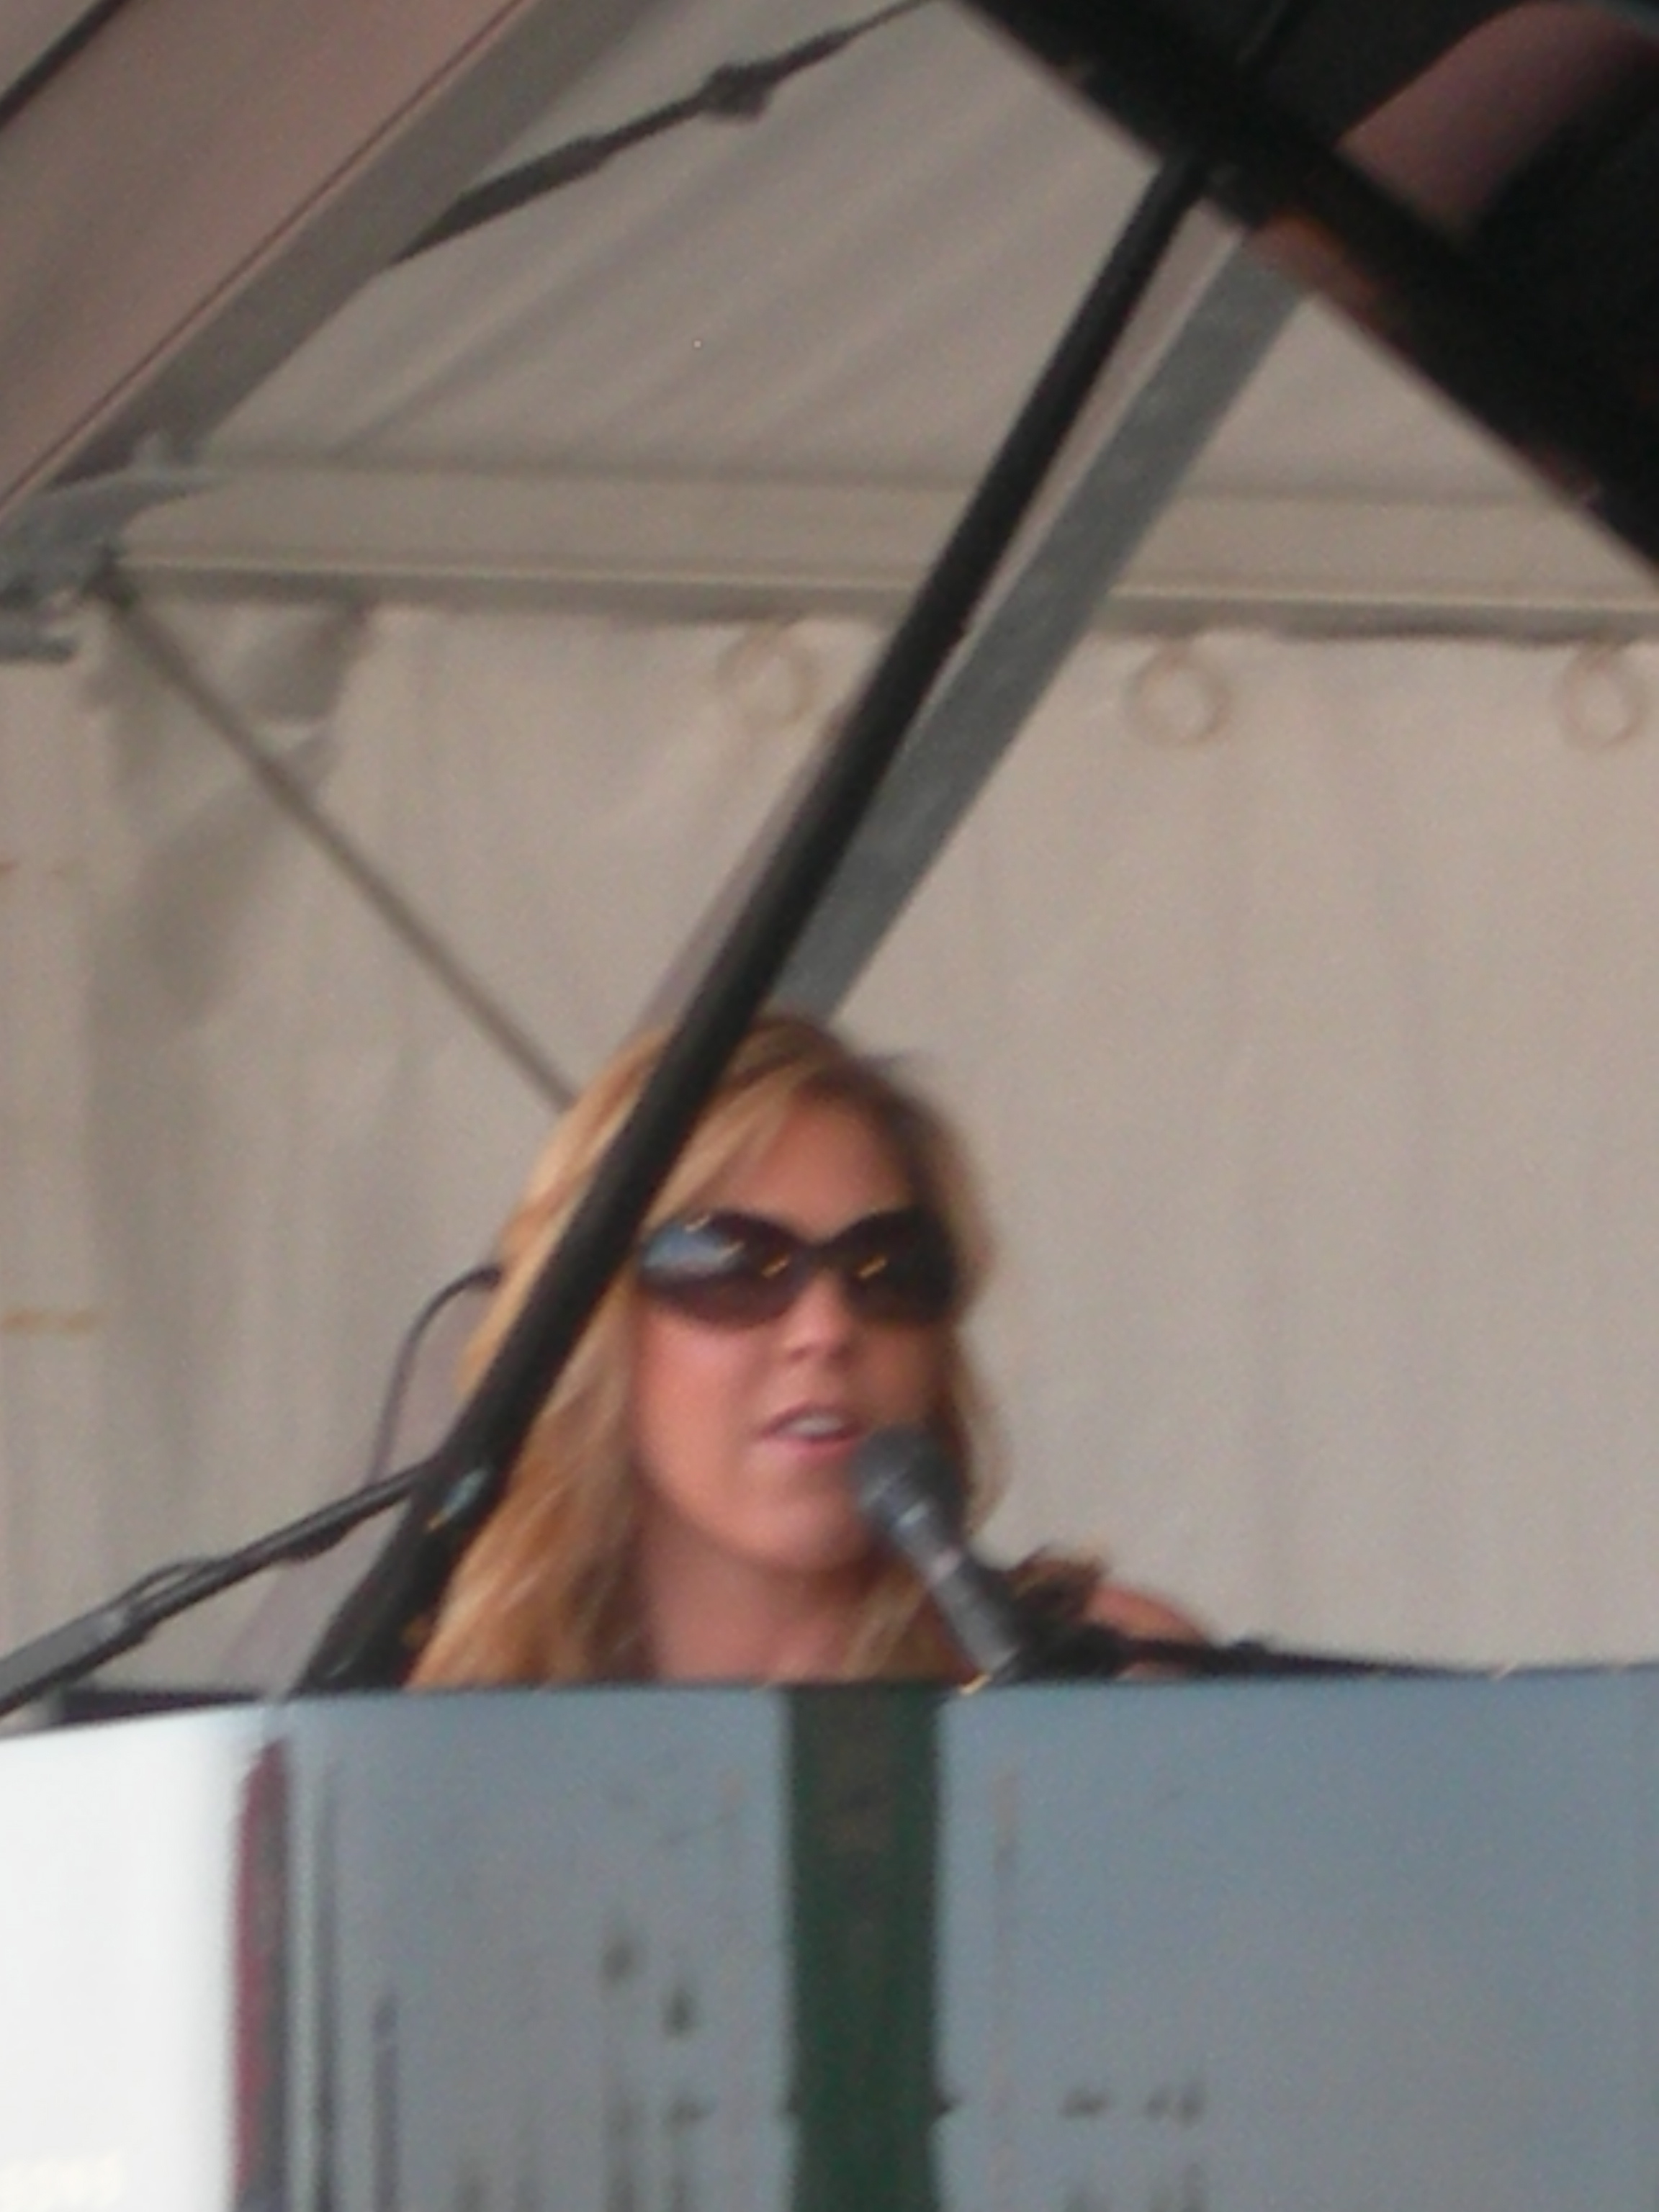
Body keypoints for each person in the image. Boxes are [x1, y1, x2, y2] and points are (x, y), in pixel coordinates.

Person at [411, 1010, 1198, 1688]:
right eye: (734, 1265)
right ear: (586, 1324)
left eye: (886, 1268)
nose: (826, 1329)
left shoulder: (1109, 1679)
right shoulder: (438, 1721)